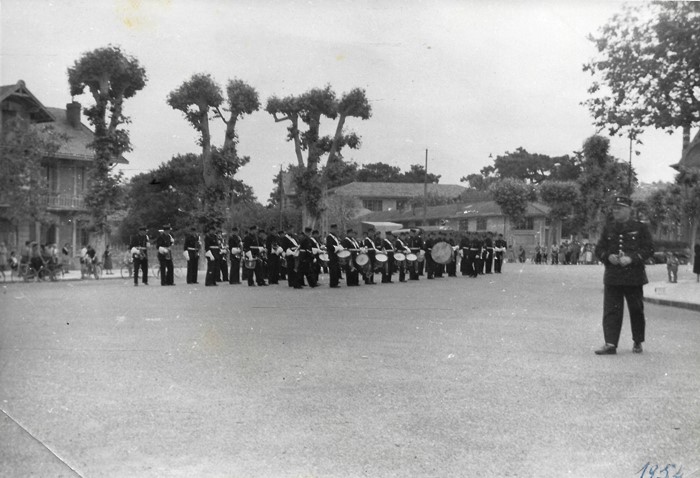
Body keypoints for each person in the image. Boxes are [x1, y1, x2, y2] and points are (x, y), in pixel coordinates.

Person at [594, 196, 654, 355]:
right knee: (611, 311)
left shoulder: (640, 228)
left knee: (636, 309)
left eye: (619, 207)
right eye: (614, 208)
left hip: (633, 276)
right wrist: (608, 257)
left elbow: (649, 249)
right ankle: (610, 344)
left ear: (629, 209)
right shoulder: (609, 228)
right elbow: (599, 249)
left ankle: (638, 341)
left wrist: (632, 258)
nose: (616, 210)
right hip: (613, 276)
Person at [326, 223, 343, 288]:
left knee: (336, 269)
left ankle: (335, 282)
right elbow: (330, 246)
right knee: (333, 270)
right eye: (335, 229)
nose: (336, 230)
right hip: (332, 255)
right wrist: (337, 248)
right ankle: (333, 283)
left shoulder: (335, 237)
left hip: (336, 255)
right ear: (332, 229)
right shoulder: (329, 237)